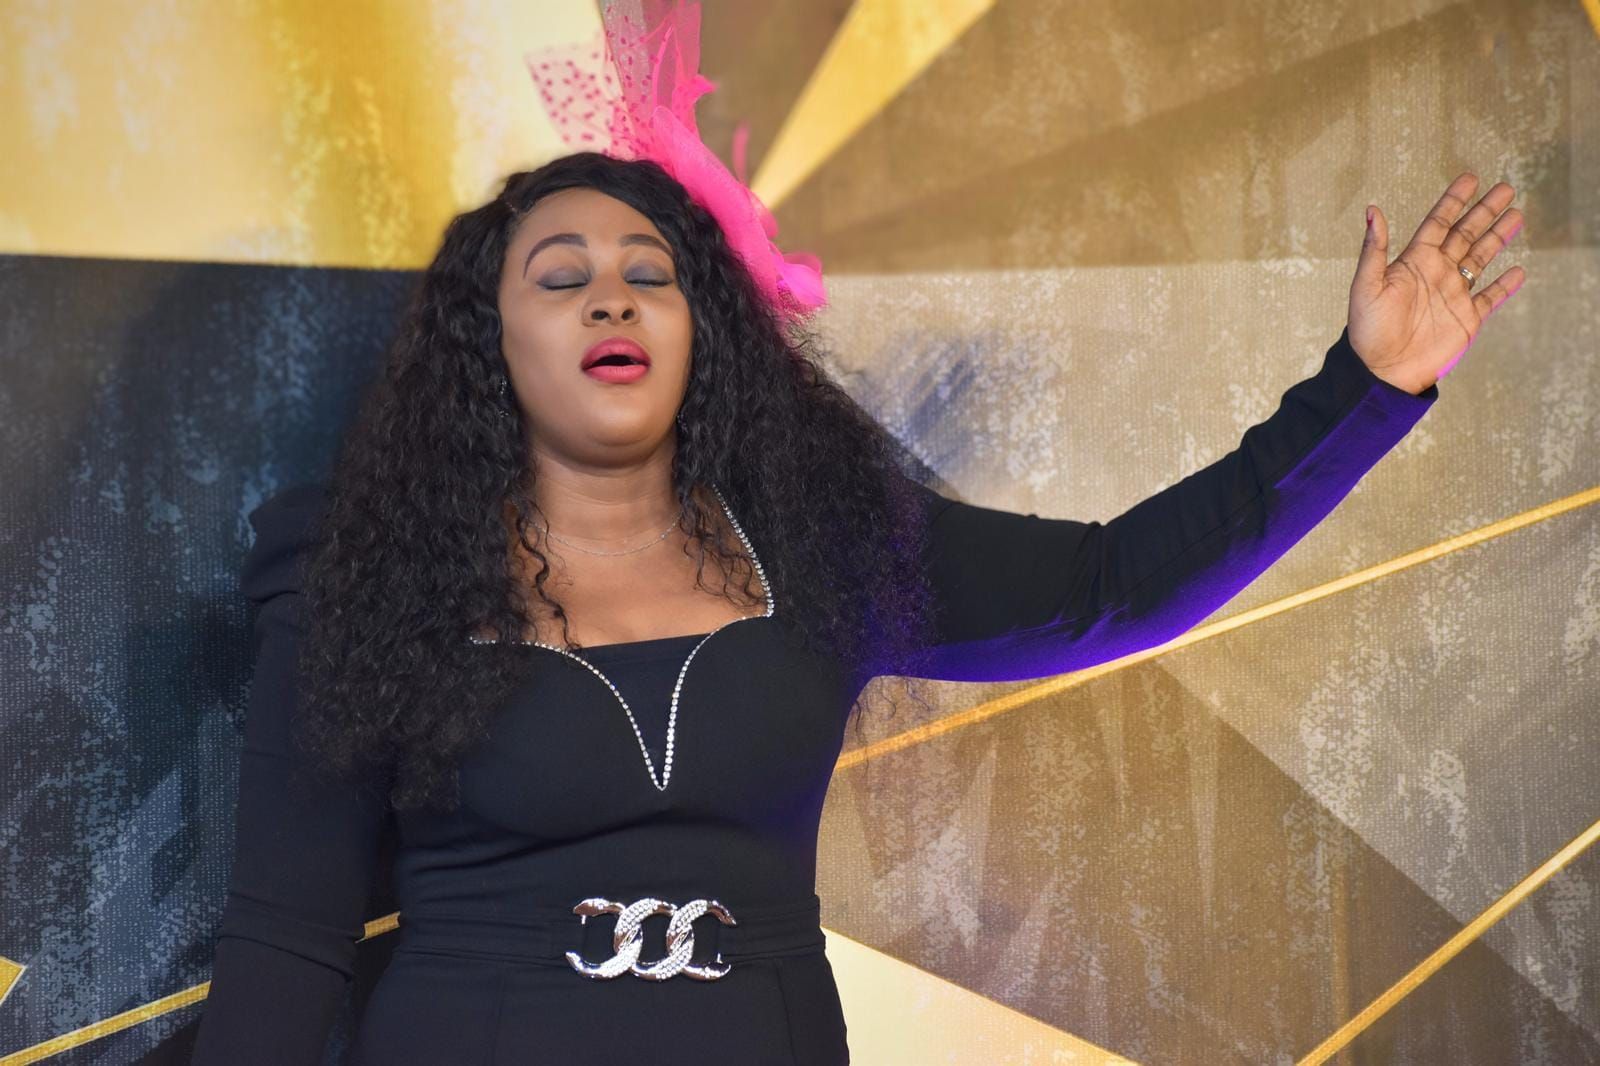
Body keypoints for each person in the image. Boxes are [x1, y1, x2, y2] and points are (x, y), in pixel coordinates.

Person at [189, 4, 1524, 1063]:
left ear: (704, 332)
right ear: (489, 342)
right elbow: (286, 943)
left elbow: (1117, 586)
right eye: (561, 278)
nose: (612, 299)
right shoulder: (366, 575)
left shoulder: (824, 545)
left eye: (651, 275)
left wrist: (1368, 388)